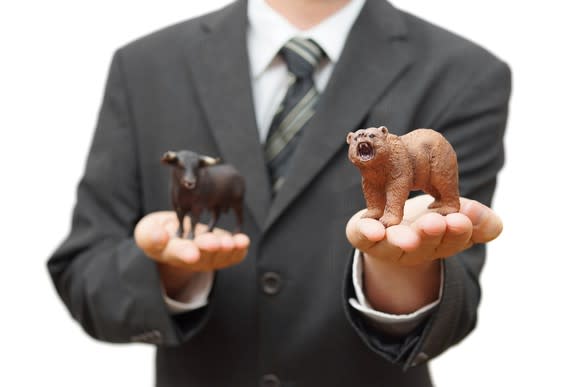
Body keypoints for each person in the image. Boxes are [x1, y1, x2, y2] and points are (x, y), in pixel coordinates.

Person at [47, 0, 510, 386]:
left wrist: (396, 272)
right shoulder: (145, 69)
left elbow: (456, 302)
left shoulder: (465, 74)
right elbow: (84, 274)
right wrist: (167, 273)